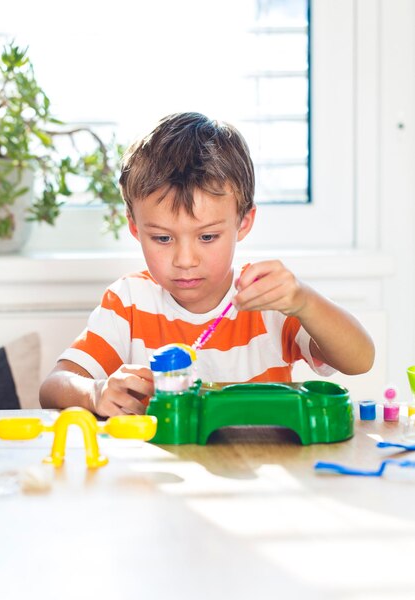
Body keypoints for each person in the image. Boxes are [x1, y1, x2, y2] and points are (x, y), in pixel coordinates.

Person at [39, 112, 375, 416]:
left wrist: (304, 301)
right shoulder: (128, 302)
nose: (185, 261)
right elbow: (54, 387)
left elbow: (360, 360)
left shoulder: (269, 301)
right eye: (162, 238)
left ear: (243, 223)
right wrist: (95, 391)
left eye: (208, 237)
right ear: (135, 227)